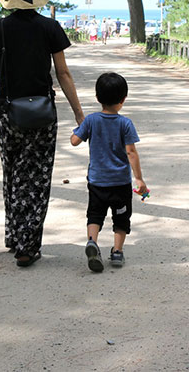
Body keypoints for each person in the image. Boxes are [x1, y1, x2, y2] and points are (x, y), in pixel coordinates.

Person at [0, 0, 85, 267]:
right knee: (37, 178)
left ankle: (14, 234)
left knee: (13, 172)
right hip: (42, 112)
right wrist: (80, 115)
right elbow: (64, 73)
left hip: (7, 112)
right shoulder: (50, 28)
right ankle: (27, 245)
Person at [70, 72, 148, 272]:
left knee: (94, 214)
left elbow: (74, 141)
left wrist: (80, 128)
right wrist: (138, 179)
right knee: (121, 218)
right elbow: (131, 152)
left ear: (98, 98)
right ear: (123, 100)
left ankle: (92, 242)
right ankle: (117, 252)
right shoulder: (125, 124)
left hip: (97, 181)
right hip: (120, 183)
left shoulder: (91, 121)